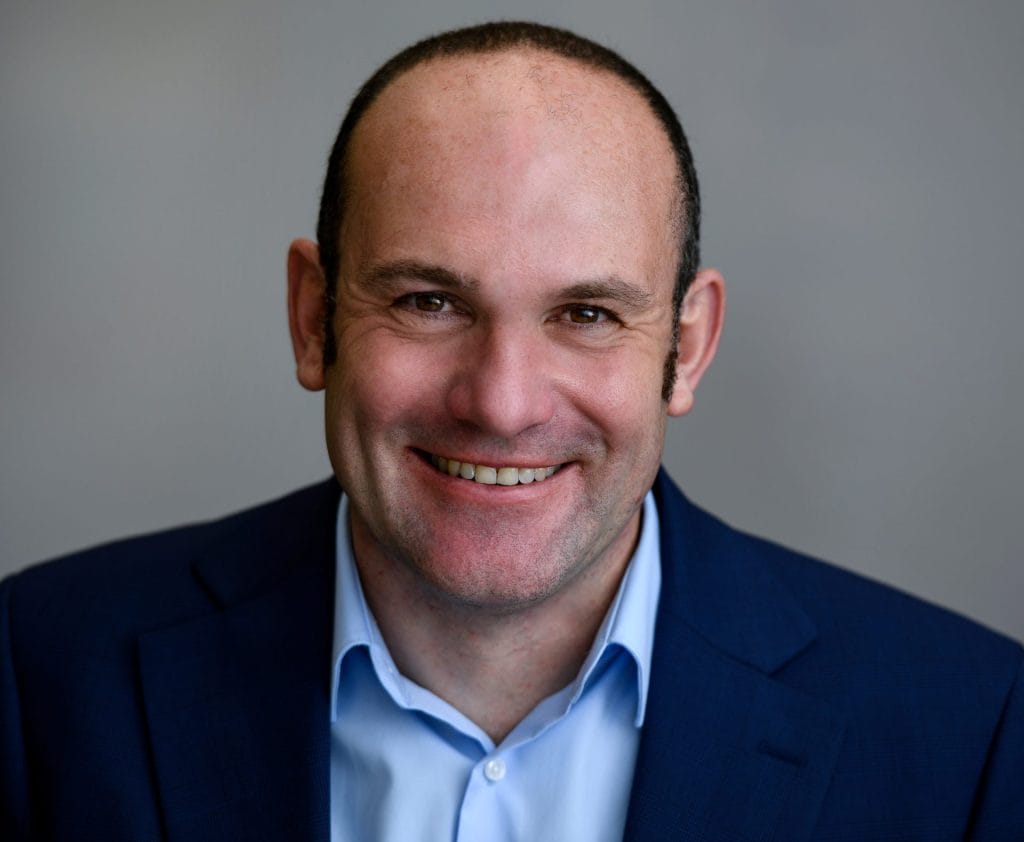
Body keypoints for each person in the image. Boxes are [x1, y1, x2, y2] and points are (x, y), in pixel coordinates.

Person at [2, 20, 1021, 841]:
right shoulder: (37, 675)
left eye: (585, 314)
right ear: (313, 317)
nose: (501, 400)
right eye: (427, 301)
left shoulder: (969, 732)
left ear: (689, 346)